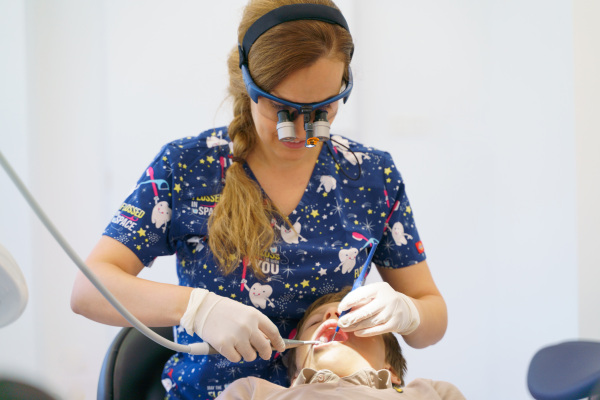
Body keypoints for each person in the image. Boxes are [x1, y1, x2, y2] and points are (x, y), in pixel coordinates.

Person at [70, 1, 448, 398]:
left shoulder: (371, 176)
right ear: (248, 84)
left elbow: (432, 318)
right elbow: (88, 291)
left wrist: (409, 313)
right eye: (283, 110)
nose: (302, 132)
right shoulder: (188, 167)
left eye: (322, 110)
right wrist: (196, 308)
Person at [217, 288, 464, 399]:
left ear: (391, 371)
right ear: (293, 375)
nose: (331, 316)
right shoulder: (254, 393)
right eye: (315, 322)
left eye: (355, 322)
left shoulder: (431, 394)